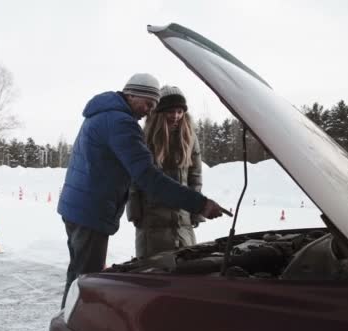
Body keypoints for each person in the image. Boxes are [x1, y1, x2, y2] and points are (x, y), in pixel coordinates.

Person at [57, 73, 227, 308]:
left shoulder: (102, 114)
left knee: (78, 273)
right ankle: (74, 327)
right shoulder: (121, 123)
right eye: (148, 104)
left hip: (78, 207)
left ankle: (67, 318)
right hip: (91, 210)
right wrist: (200, 204)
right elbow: (148, 177)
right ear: (132, 94)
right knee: (87, 280)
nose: (149, 111)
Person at [126, 85, 204, 258]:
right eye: (170, 111)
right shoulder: (143, 138)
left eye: (179, 111)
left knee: (186, 267)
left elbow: (195, 177)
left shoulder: (190, 138)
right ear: (159, 113)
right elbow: (134, 178)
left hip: (182, 219)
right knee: (154, 271)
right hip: (152, 218)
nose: (175, 116)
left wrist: (196, 210)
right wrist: (134, 210)